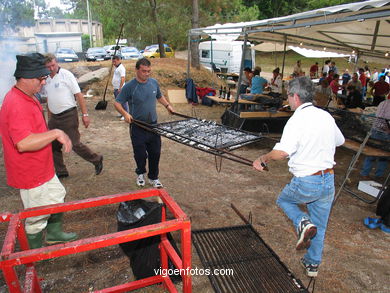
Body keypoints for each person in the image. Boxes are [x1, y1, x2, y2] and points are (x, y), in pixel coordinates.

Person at [253, 76, 345, 278]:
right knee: (319, 226)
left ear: (295, 96)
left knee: (284, 200)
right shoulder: (325, 116)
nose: (288, 99)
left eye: (288, 95)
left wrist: (263, 158)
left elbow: (282, 152)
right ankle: (312, 265)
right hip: (328, 180)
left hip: (307, 180)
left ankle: (302, 222)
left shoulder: (297, 120)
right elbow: (340, 140)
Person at [0, 53, 77, 249]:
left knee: (57, 195)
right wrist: (56, 132)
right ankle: (32, 254)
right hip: (30, 172)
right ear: (25, 77)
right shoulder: (16, 103)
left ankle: (54, 233)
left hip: (42, 167)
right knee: (36, 216)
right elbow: (23, 143)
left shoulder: (28, 96)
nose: (44, 82)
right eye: (40, 78)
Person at [114, 58, 174, 188]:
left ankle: (153, 177)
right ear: (136, 70)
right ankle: (140, 173)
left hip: (153, 126)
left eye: (149, 71)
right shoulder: (130, 86)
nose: (147, 74)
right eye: (144, 71)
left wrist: (167, 105)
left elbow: (159, 96)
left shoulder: (153, 83)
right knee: (140, 154)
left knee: (155, 153)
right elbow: (117, 102)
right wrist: (125, 114)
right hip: (137, 126)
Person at [42, 54, 103, 178]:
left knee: (75, 144)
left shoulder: (66, 75)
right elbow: (49, 99)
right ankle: (61, 171)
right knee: (54, 145)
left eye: (53, 65)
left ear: (57, 62)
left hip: (68, 115)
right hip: (54, 117)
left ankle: (96, 159)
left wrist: (85, 114)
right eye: (48, 67)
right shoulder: (46, 79)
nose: (51, 68)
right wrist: (49, 118)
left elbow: (79, 95)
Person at [360, 98, 390, 182]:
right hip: (385, 132)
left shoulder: (383, 103)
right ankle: (378, 175)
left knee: (371, 152)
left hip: (375, 129)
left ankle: (365, 173)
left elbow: (378, 116)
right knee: (385, 154)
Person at [112, 55, 127, 120]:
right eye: (113, 62)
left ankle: (125, 113)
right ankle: (121, 112)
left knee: (123, 102)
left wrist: (120, 87)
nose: (114, 63)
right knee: (118, 102)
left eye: (115, 62)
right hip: (116, 87)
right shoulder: (116, 67)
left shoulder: (121, 68)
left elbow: (123, 78)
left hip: (120, 88)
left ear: (119, 60)